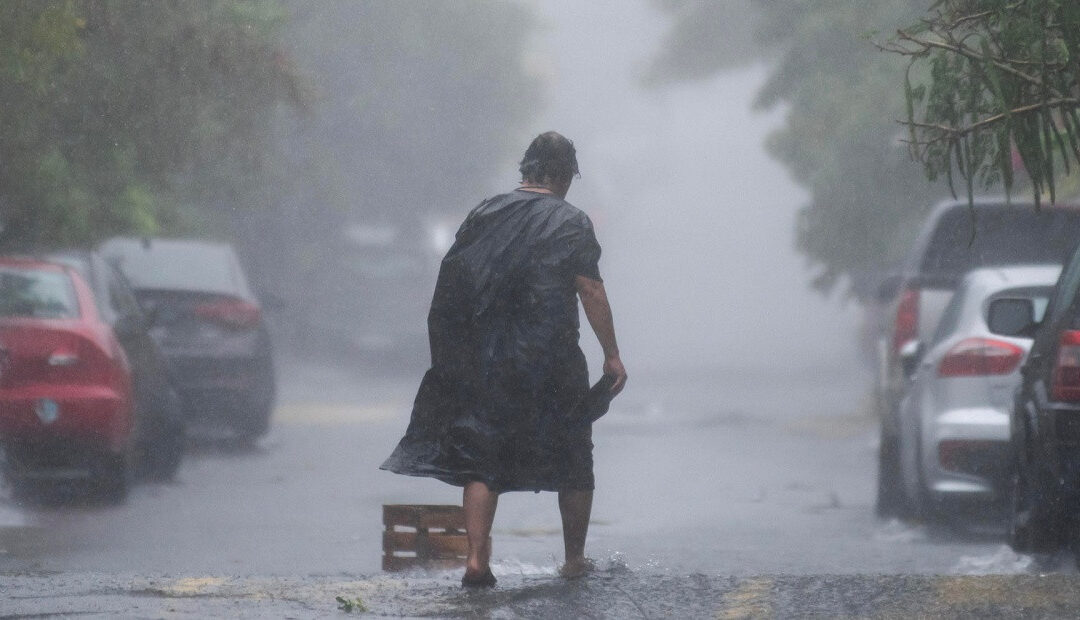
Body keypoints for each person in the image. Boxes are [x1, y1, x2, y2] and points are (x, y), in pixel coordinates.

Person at [380, 131, 627, 587]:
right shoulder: (572, 221)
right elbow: (590, 289)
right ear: (564, 175)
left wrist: (451, 356)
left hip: (488, 359)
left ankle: (477, 559)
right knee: (573, 453)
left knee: (483, 458)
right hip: (552, 359)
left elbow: (452, 284)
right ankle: (574, 560)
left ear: (527, 169)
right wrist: (612, 355)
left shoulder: (485, 212)